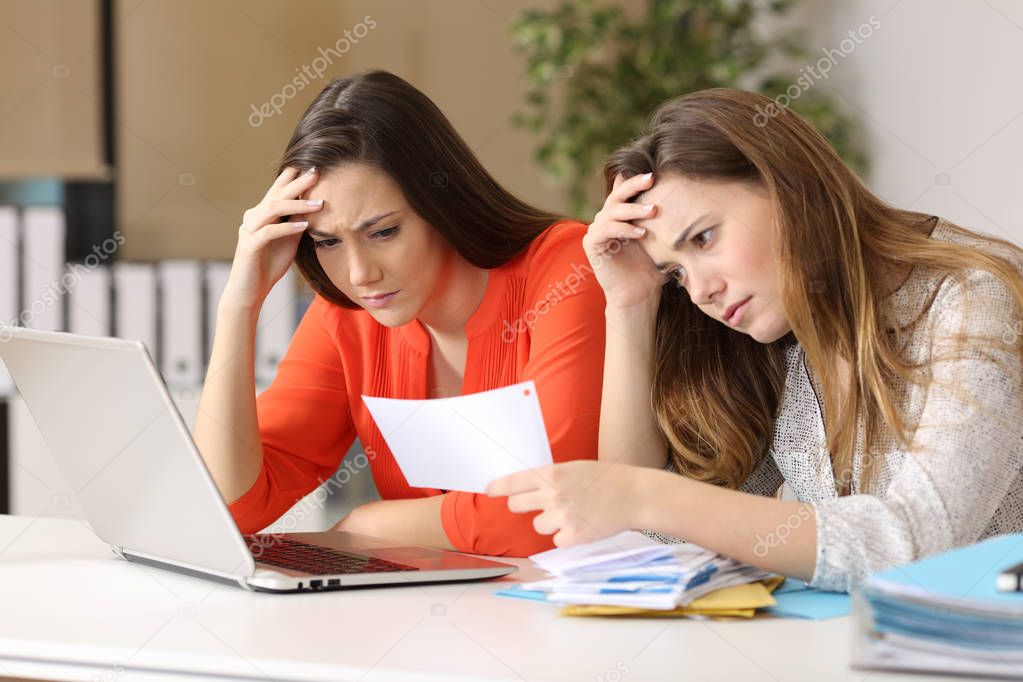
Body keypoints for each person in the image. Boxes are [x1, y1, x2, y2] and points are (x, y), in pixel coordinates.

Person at [488, 87, 1023, 591]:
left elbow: (915, 544)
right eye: (674, 273)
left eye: (704, 238)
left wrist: (647, 496)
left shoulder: (976, 296)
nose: (700, 291)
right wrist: (630, 303)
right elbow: (653, 538)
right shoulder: (780, 339)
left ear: (788, 185)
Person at [193, 70, 606, 557]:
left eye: (383, 232)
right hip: (429, 615)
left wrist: (368, 523)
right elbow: (226, 506)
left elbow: (560, 510)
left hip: (579, 619)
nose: (360, 273)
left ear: (440, 202)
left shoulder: (567, 268)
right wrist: (239, 307)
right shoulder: (348, 312)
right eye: (327, 242)